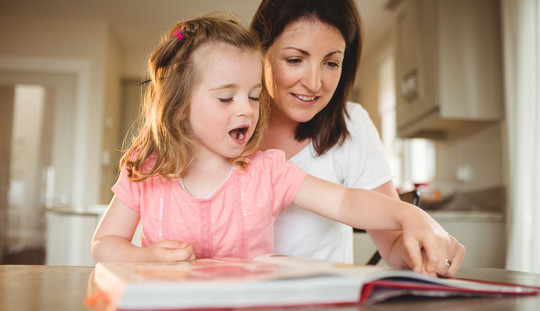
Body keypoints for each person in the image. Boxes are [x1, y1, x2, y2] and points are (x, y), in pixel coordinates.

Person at [91, 14, 462, 277]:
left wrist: (409, 215)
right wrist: (145, 257)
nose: (247, 110)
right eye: (225, 99)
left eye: (254, 97)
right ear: (180, 105)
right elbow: (105, 243)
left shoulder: (265, 170)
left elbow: (344, 201)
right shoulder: (146, 168)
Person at [250, 0, 465, 269]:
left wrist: (427, 249)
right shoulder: (225, 126)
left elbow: (393, 241)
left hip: (327, 304)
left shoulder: (351, 125)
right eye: (295, 60)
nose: (315, 83)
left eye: (331, 63)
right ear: (258, 52)